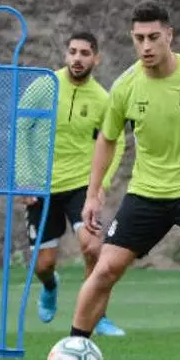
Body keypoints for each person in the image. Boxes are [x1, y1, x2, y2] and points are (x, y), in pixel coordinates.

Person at [31, 1, 180, 360]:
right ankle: (69, 353)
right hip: (146, 193)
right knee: (105, 269)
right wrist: (93, 194)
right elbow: (107, 139)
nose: (146, 46)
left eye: (154, 37)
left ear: (169, 35)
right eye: (139, 38)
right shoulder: (125, 86)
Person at [21, 31, 127, 338]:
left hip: (81, 185)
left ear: (96, 59)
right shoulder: (44, 87)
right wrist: (25, 180)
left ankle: (97, 315)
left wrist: (101, 184)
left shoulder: (103, 99)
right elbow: (21, 127)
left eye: (84, 53)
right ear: (66, 55)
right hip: (41, 186)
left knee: (93, 248)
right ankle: (50, 286)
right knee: (43, 265)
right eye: (73, 52)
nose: (77, 58)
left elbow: (117, 141)